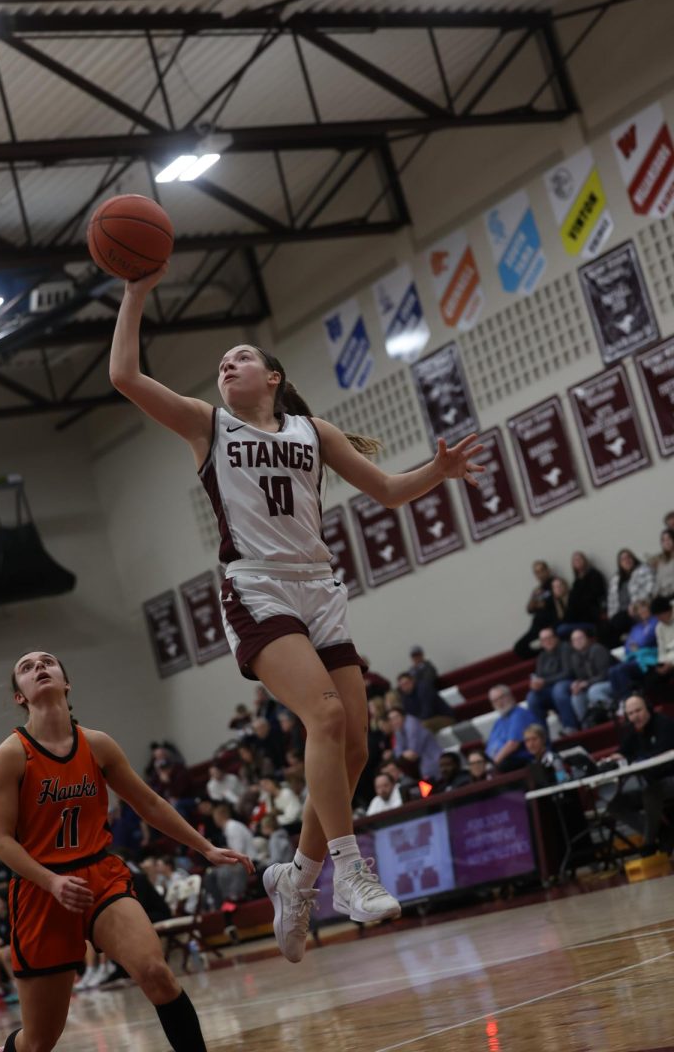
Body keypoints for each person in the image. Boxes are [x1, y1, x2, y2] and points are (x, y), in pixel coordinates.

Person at [110, 274, 484, 965]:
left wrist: (437, 471)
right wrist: (136, 291)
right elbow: (126, 374)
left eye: (240, 357)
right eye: (221, 364)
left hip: (319, 586)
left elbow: (389, 491)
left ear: (274, 376)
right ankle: (348, 870)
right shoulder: (207, 425)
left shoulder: (314, 431)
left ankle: (296, 878)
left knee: (353, 750)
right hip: (257, 587)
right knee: (326, 717)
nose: (226, 366)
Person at [0, 649, 253, 1052]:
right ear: (19, 696)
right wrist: (52, 881)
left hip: (99, 876)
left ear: (66, 681)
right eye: (26, 667)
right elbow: (1, 841)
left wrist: (205, 847)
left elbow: (149, 804)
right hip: (41, 890)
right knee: (39, 1041)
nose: (39, 667)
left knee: (155, 972)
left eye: (48, 662)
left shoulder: (97, 745)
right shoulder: (10, 755)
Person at [610, 694, 674, 848]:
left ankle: (649, 842)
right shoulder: (633, 730)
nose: (635, 717)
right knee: (615, 805)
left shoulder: (664, 724)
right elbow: (621, 752)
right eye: (630, 714)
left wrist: (635, 760)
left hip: (669, 777)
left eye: (638, 711)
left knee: (651, 794)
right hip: (649, 782)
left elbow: (662, 753)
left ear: (648, 709)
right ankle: (662, 833)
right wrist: (616, 757)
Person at [561, 628, 615, 726]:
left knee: (594, 691)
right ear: (572, 643)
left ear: (587, 639)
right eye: (575, 640)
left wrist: (586, 683)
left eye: (580, 638)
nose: (578, 641)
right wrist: (576, 684)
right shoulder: (574, 657)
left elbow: (604, 674)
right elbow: (580, 677)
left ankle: (614, 712)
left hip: (611, 682)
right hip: (592, 685)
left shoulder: (598, 649)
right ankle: (587, 726)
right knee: (576, 696)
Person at [524, 628, 576, 731]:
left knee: (559, 690)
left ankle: (570, 727)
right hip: (549, 688)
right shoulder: (542, 656)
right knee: (532, 697)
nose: (547, 641)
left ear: (556, 638)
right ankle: (542, 736)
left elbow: (568, 673)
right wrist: (536, 684)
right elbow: (539, 677)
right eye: (543, 640)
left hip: (567, 682)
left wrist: (545, 682)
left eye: (549, 638)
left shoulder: (565, 648)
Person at [608, 599, 658, 701]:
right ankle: (621, 702)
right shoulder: (636, 628)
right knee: (612, 671)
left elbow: (648, 639)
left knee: (621, 669)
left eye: (644, 608)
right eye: (638, 610)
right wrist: (636, 646)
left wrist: (638, 646)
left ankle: (629, 699)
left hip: (650, 656)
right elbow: (628, 646)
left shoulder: (655, 622)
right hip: (635, 657)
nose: (641, 611)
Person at [606, 549, 655, 644]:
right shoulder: (615, 580)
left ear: (633, 559)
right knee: (606, 628)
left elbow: (650, 589)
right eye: (623, 559)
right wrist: (611, 615)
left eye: (628, 557)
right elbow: (611, 600)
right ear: (619, 563)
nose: (626, 560)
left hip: (637, 608)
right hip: (620, 612)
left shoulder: (644, 571)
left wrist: (636, 605)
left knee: (620, 622)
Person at [385, 706, 443, 783]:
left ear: (403, 716)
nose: (394, 721)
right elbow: (398, 752)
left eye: (396, 717)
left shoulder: (411, 724)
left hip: (433, 757)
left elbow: (413, 753)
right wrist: (403, 754)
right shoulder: (398, 730)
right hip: (421, 762)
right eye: (391, 719)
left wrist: (402, 755)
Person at [485, 686, 536, 772]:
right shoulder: (498, 722)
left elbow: (513, 744)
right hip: (502, 761)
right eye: (495, 701)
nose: (499, 703)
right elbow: (490, 746)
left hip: (519, 760)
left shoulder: (519, 714)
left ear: (510, 696)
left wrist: (493, 764)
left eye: (501, 697)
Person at [513, 560, 556, 659]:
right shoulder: (537, 590)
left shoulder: (555, 583)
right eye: (537, 572)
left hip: (550, 625)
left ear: (548, 570)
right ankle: (544, 654)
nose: (540, 574)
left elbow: (548, 603)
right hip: (536, 628)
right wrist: (534, 599)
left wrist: (540, 604)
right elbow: (529, 609)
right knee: (519, 647)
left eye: (542, 570)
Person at [557, 551, 606, 637]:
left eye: (579, 559)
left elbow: (596, 594)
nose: (577, 562)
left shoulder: (594, 575)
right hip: (578, 618)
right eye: (574, 560)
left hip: (591, 617)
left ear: (585, 560)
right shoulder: (576, 582)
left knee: (562, 630)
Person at [653, 529, 674, 602]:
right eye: (663, 540)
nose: (666, 542)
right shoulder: (661, 562)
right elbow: (658, 580)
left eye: (669, 539)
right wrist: (654, 595)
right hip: (663, 595)